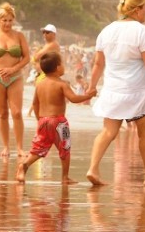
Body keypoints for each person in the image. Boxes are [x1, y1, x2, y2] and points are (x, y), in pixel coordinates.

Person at [83, 0, 145, 188]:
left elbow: (98, 63)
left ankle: (93, 168)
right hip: (137, 91)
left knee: (108, 131)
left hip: (113, 90)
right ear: (137, 10)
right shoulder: (141, 31)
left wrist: (91, 86)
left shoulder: (107, 30)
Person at [17, 50, 94, 184]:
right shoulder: (62, 84)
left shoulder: (40, 84)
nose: (64, 66)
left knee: (39, 148)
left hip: (44, 121)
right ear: (58, 67)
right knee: (65, 148)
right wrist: (88, 96)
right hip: (60, 122)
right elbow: (74, 99)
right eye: (62, 64)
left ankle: (24, 165)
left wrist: (39, 120)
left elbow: (35, 103)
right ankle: (65, 177)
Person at [0, 3, 31, 157]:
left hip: (15, 77)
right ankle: (5, 147)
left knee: (16, 113)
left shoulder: (19, 36)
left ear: (13, 20)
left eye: (10, 20)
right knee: (2, 113)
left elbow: (27, 58)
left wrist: (12, 69)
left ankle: (19, 148)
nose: (7, 23)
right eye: (4, 20)